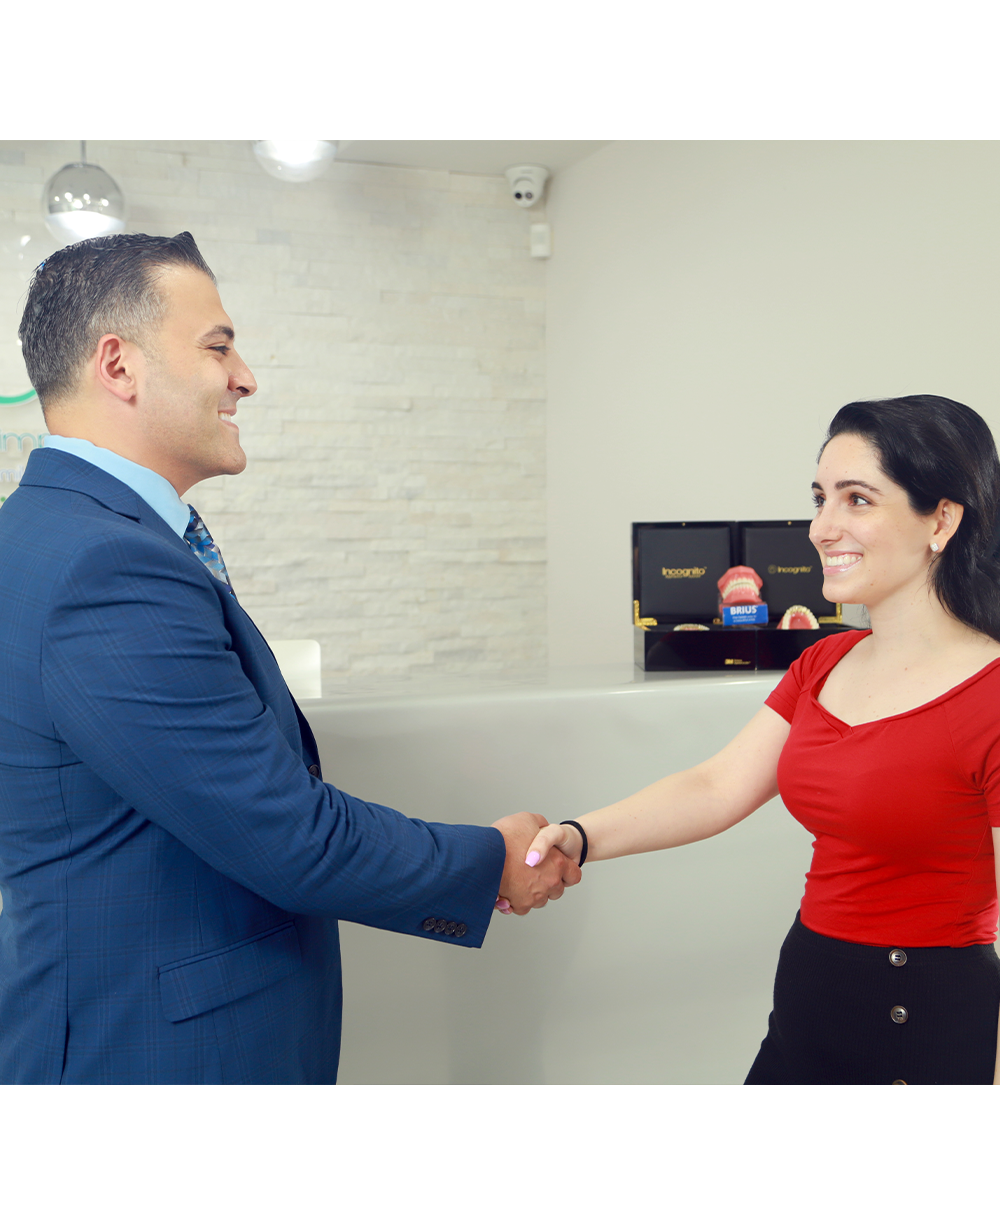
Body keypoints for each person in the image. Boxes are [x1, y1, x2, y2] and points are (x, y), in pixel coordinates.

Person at [0, 231, 581, 1085]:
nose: (246, 377)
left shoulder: (44, 532)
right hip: (154, 1056)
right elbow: (286, 833)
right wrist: (489, 857)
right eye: (218, 346)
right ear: (118, 366)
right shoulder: (105, 564)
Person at [520, 394, 1000, 1084]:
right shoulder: (822, 663)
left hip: (926, 1017)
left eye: (857, 499)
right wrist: (579, 834)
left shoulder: (990, 693)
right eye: (820, 497)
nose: (822, 527)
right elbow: (716, 785)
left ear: (942, 519)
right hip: (810, 995)